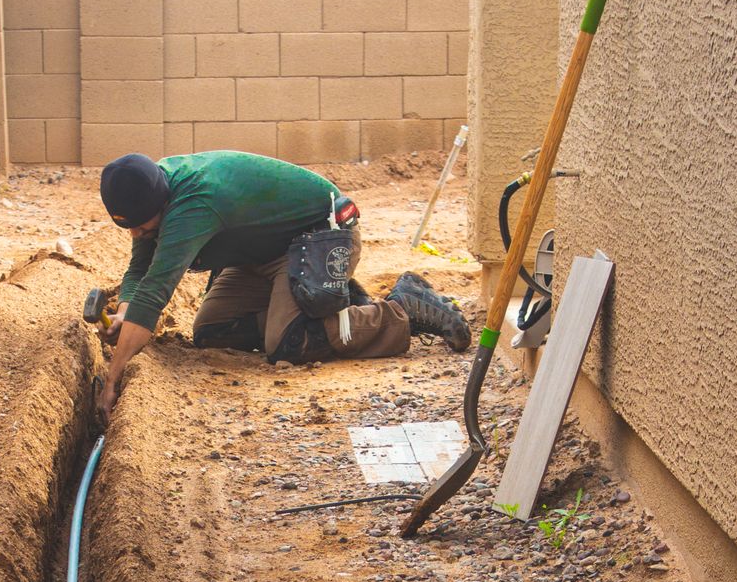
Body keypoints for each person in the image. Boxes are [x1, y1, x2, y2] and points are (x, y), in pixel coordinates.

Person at [95, 150, 470, 422]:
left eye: (141, 225)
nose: (136, 233)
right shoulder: (154, 189)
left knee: (288, 342)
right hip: (260, 253)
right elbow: (140, 267)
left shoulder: (192, 204)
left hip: (318, 238)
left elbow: (156, 290)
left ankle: (402, 309)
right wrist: (125, 312)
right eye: (129, 227)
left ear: (161, 203)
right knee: (212, 331)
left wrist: (114, 377)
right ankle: (323, 304)